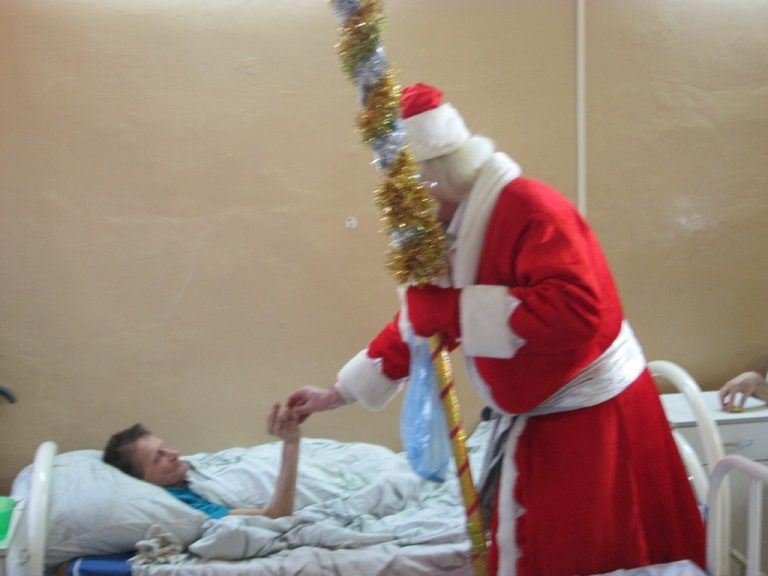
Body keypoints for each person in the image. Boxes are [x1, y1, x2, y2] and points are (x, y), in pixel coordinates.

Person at [286, 83, 705, 576]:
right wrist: (338, 394)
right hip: (543, 423)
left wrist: (450, 309)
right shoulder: (453, 225)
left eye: (409, 195)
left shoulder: (532, 209)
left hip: (593, 427)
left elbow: (578, 310)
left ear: (435, 180)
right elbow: (422, 323)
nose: (404, 212)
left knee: (591, 556)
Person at [103, 402, 300, 519]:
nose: (175, 453)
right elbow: (276, 514)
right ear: (142, 481)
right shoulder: (184, 506)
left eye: (165, 448)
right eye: (158, 457)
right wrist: (291, 444)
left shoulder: (186, 469)